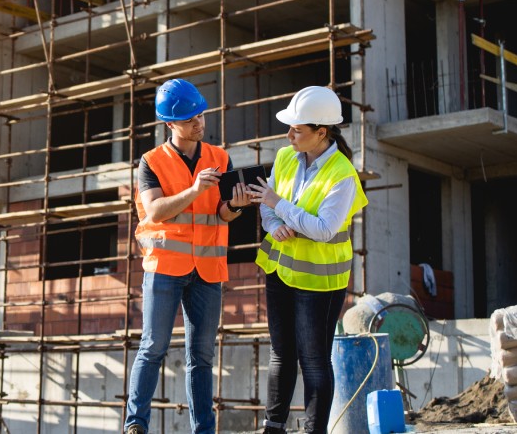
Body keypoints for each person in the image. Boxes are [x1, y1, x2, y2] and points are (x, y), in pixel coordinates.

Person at [124, 78, 253, 434]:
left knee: (202, 357)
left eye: (201, 114)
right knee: (153, 347)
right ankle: (136, 425)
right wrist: (195, 189)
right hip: (166, 267)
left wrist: (236, 207)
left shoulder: (219, 157)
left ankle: (204, 430)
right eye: (190, 118)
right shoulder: (150, 162)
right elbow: (154, 212)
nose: (199, 122)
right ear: (171, 124)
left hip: (208, 269)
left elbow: (221, 213)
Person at [247, 86, 368, 434]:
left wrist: (279, 207)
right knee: (281, 354)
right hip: (281, 271)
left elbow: (324, 229)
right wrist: (275, 225)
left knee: (313, 361)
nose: (289, 135)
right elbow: (267, 204)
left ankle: (315, 430)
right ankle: (274, 427)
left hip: (320, 281)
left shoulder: (342, 175)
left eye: (297, 130)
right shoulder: (287, 157)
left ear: (321, 132)